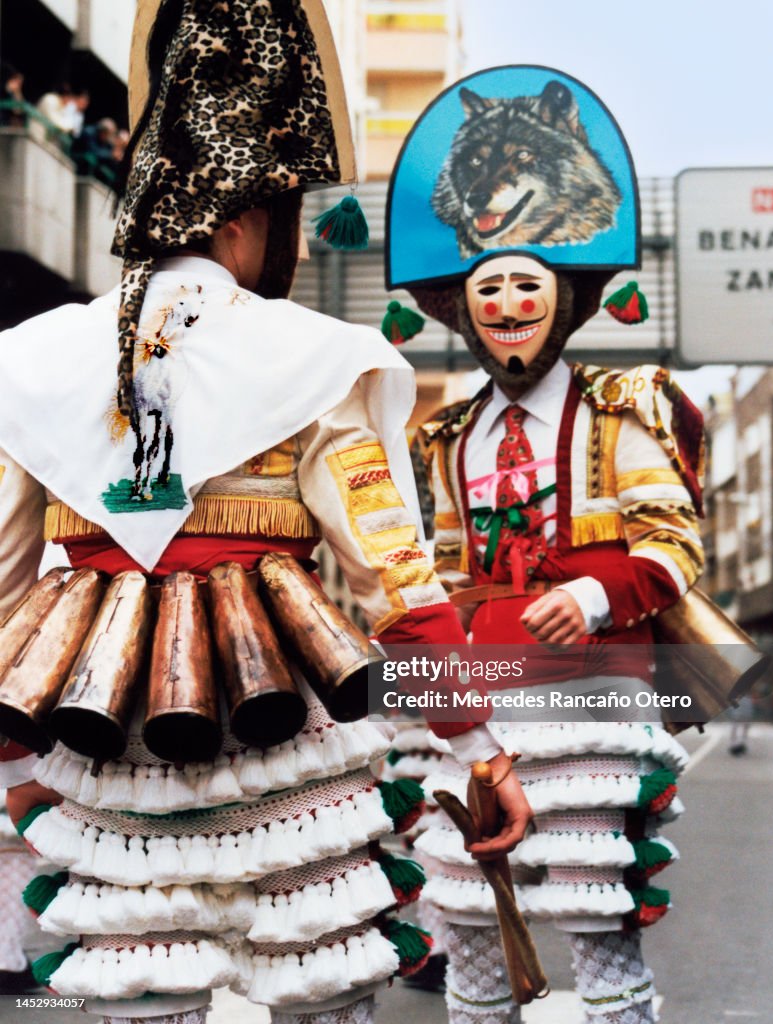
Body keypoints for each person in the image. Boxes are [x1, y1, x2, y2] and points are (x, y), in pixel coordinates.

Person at [0, 6, 529, 1024]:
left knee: (140, 999)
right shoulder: (315, 360)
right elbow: (400, 591)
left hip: (108, 784)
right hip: (286, 763)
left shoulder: (29, 364)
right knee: (308, 992)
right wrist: (479, 750)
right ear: (249, 219)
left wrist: (19, 776)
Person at [384, 67, 705, 1024]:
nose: (511, 301)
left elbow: (675, 541)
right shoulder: (438, 439)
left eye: (529, 283)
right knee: (475, 927)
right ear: (464, 311)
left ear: (561, 300)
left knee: (596, 927)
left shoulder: (623, 411)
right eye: (491, 286)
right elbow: (429, 572)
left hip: (590, 699)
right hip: (478, 704)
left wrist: (600, 596)